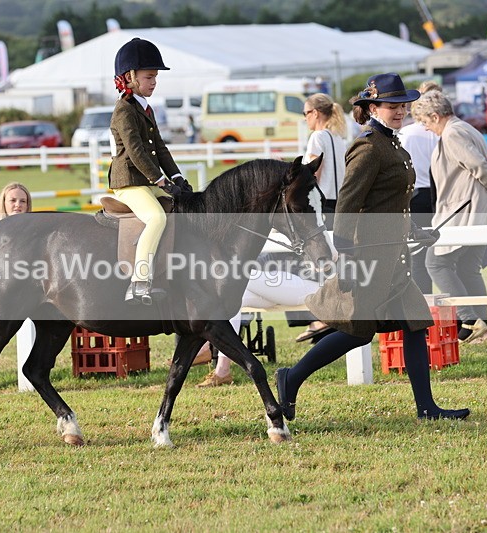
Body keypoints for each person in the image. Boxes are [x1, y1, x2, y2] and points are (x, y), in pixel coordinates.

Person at [275, 72, 470, 422]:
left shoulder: (392, 143)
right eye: (392, 106)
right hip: (368, 256)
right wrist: (346, 253)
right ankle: (291, 377)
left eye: (402, 105)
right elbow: (349, 205)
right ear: (373, 107)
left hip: (392, 254)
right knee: (356, 332)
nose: (400, 111)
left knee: (415, 324)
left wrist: (416, 230)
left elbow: (389, 202)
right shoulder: (368, 147)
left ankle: (426, 408)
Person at [410, 90, 487, 345]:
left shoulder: (453, 133)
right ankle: (482, 330)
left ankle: (469, 320)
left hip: (464, 212)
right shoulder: (466, 128)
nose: (424, 127)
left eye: (424, 121)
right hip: (477, 210)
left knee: (435, 263)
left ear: (435, 116)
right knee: (469, 269)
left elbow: (479, 167)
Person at [109, 37, 189, 305]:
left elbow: (160, 149)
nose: (154, 81)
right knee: (156, 218)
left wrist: (177, 177)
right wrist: (161, 181)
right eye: (149, 76)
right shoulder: (124, 110)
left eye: (155, 77)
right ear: (130, 76)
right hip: (129, 182)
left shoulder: (145, 108)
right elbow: (136, 152)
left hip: (146, 180)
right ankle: (138, 282)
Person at [196, 255, 320, 387]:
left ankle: (206, 349)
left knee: (235, 274)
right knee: (231, 300)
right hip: (278, 280)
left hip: (304, 282)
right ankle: (222, 371)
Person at [293, 92, 347, 343]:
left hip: (321, 205)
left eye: (305, 113)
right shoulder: (338, 137)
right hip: (339, 205)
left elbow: (311, 173)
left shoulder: (317, 137)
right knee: (333, 261)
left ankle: (320, 317)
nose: (305, 119)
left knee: (314, 261)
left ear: (315, 113)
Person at [398, 81, 443, 294]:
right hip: (438, 195)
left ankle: (423, 307)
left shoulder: (406, 134)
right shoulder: (441, 131)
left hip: (415, 196)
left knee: (417, 255)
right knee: (437, 255)